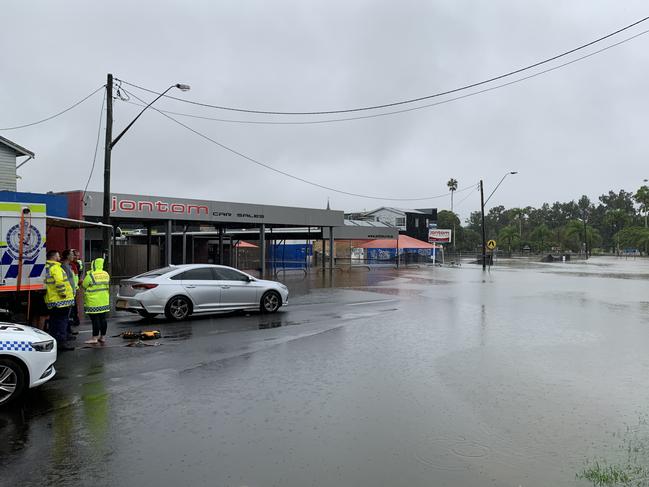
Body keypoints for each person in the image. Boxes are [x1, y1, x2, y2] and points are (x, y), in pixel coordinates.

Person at [44, 250, 75, 351]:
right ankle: (61, 342)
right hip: (61, 300)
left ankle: (54, 341)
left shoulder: (46, 268)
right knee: (62, 322)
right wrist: (63, 294)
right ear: (53, 257)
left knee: (53, 322)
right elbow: (59, 282)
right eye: (57, 255)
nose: (59, 256)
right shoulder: (56, 268)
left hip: (51, 299)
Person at [82, 257, 110, 345]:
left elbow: (84, 285)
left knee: (95, 320)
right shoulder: (106, 274)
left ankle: (94, 338)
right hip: (104, 301)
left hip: (93, 301)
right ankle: (102, 337)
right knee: (103, 319)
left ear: (93, 265)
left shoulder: (91, 275)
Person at [61, 249, 80, 334]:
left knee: (69, 313)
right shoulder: (64, 266)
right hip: (68, 294)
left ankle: (68, 331)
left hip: (72, 292)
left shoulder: (69, 265)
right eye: (72, 254)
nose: (73, 256)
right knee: (66, 315)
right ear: (68, 256)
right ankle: (66, 332)